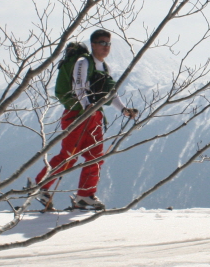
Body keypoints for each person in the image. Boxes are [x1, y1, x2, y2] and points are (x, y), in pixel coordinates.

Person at [35, 29, 139, 210]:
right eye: (102, 43)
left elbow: (110, 93)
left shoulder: (104, 67)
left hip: (94, 115)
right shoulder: (83, 62)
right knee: (69, 155)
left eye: (108, 43)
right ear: (93, 44)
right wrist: (86, 105)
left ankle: (85, 195)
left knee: (95, 156)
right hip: (77, 114)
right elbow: (79, 85)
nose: (106, 47)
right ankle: (40, 186)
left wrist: (123, 110)